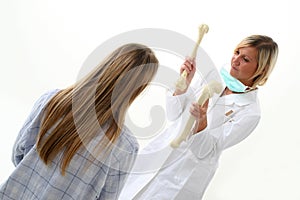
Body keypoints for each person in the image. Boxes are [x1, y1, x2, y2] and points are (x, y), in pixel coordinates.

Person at [119, 35, 278, 200]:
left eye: (245, 59)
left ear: (262, 69)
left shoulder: (251, 113)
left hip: (185, 174)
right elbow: (173, 114)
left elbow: (207, 150)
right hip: (161, 153)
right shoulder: (212, 77)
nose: (235, 60)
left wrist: (201, 121)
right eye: (236, 52)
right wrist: (184, 84)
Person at [0, 43, 159, 200]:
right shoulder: (125, 146)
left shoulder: (52, 100)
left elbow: (18, 154)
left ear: (106, 64)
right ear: (138, 89)